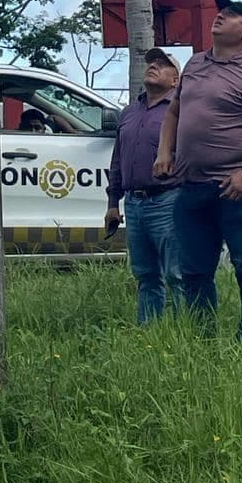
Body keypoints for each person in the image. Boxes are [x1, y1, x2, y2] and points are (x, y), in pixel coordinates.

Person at [154, 0, 242, 338]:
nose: (220, 17)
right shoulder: (195, 65)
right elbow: (173, 113)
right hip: (191, 186)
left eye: (230, 16)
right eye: (221, 12)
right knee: (194, 270)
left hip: (235, 186)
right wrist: (164, 152)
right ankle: (203, 338)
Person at [105, 48, 184, 322]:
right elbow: (117, 159)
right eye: (152, 63)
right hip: (134, 203)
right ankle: (149, 331)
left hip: (168, 199)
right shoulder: (129, 112)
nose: (153, 67)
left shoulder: (181, 111)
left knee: (177, 273)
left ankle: (184, 332)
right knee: (145, 274)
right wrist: (112, 204)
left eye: (162, 65)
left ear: (176, 80)